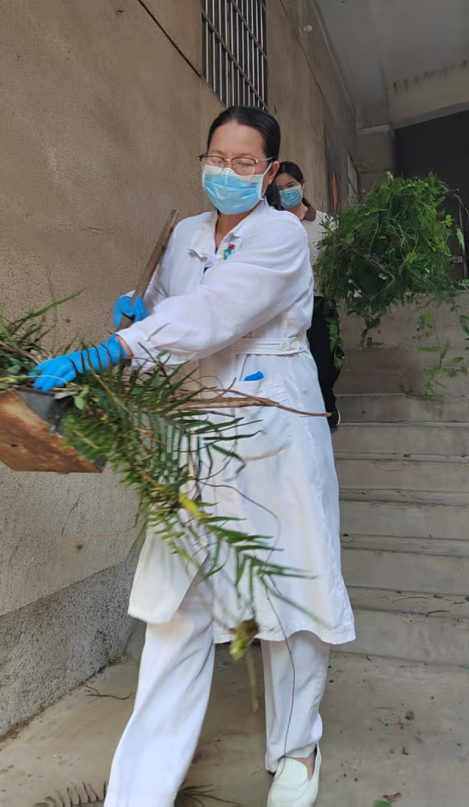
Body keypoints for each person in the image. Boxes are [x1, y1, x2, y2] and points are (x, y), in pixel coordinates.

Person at [32, 106, 355, 807]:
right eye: (216, 158)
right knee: (177, 603)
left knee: (288, 592)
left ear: (270, 171)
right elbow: (167, 312)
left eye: (244, 162)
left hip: (273, 428)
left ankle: (297, 748)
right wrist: (135, 313)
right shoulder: (184, 234)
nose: (226, 172)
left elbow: (214, 313)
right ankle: (140, 790)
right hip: (195, 429)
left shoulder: (281, 236)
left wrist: (114, 348)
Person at [274, 162, 342, 430]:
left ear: (302, 186)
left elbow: (338, 261)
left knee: (325, 361)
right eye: (279, 188)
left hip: (320, 302)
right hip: (286, 307)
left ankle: (327, 404)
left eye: (290, 185)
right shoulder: (273, 224)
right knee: (293, 362)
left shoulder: (326, 224)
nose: (286, 192)